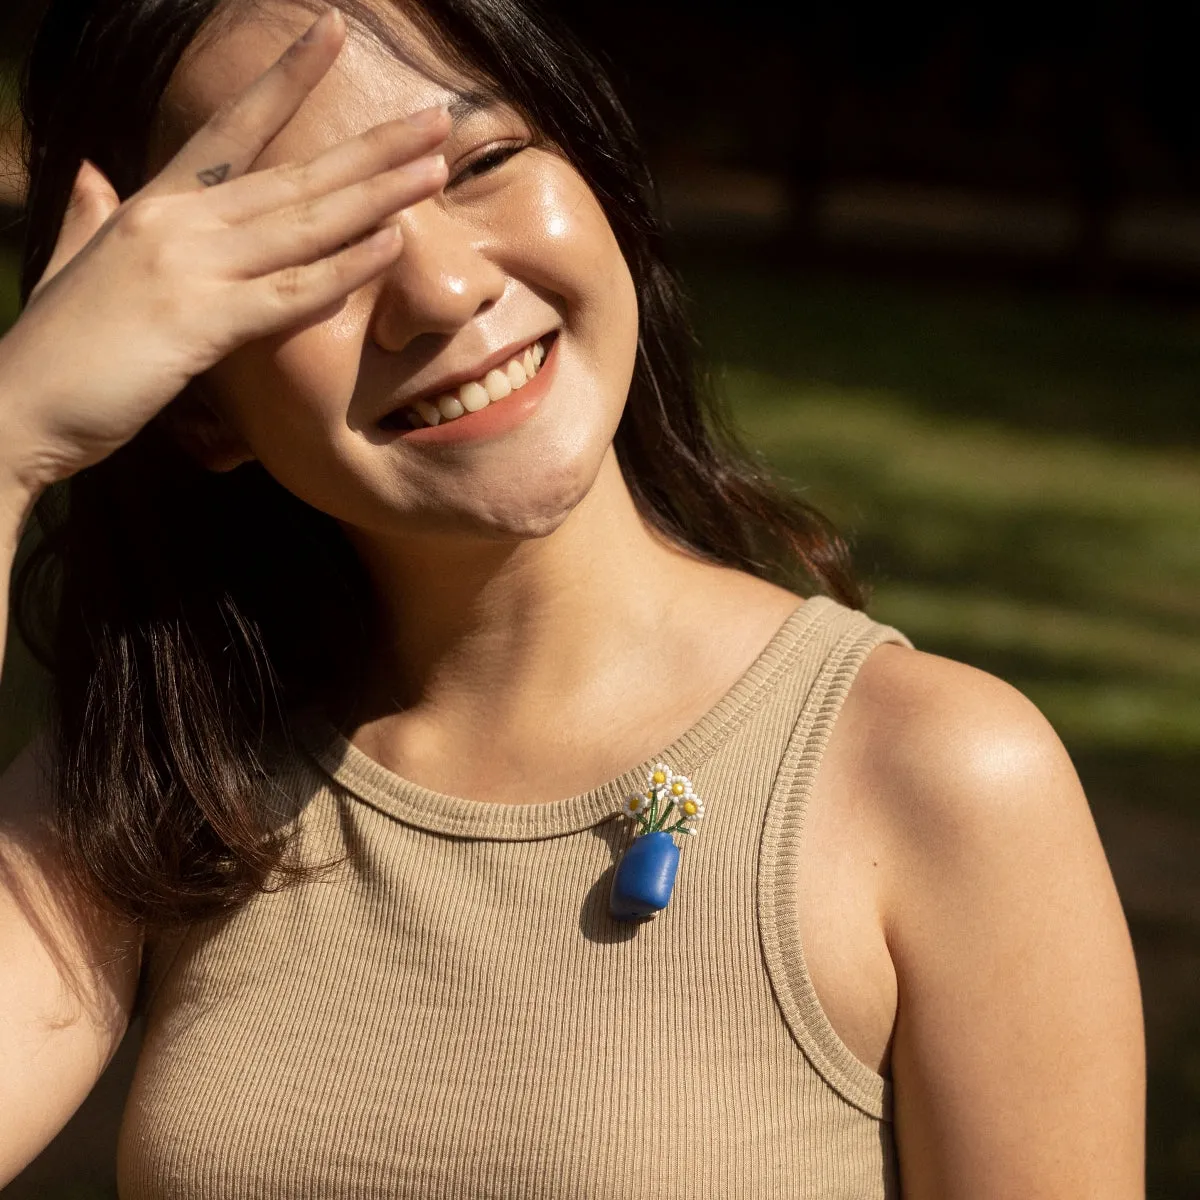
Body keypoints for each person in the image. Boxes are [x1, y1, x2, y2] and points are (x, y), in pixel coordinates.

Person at [0, 0, 1145, 1195]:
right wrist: (11, 431)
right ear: (195, 400)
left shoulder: (940, 775)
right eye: (303, 246)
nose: (441, 290)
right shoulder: (163, 781)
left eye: (483, 161)